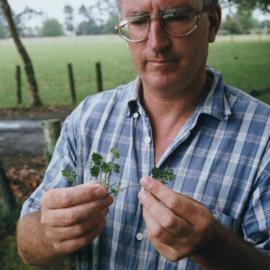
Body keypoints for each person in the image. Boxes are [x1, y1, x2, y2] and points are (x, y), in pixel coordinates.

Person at [17, 0, 270, 269]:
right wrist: (48, 234)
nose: (156, 43)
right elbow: (27, 245)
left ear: (213, 23)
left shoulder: (264, 137)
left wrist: (213, 244)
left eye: (176, 17)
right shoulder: (87, 119)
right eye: (138, 22)